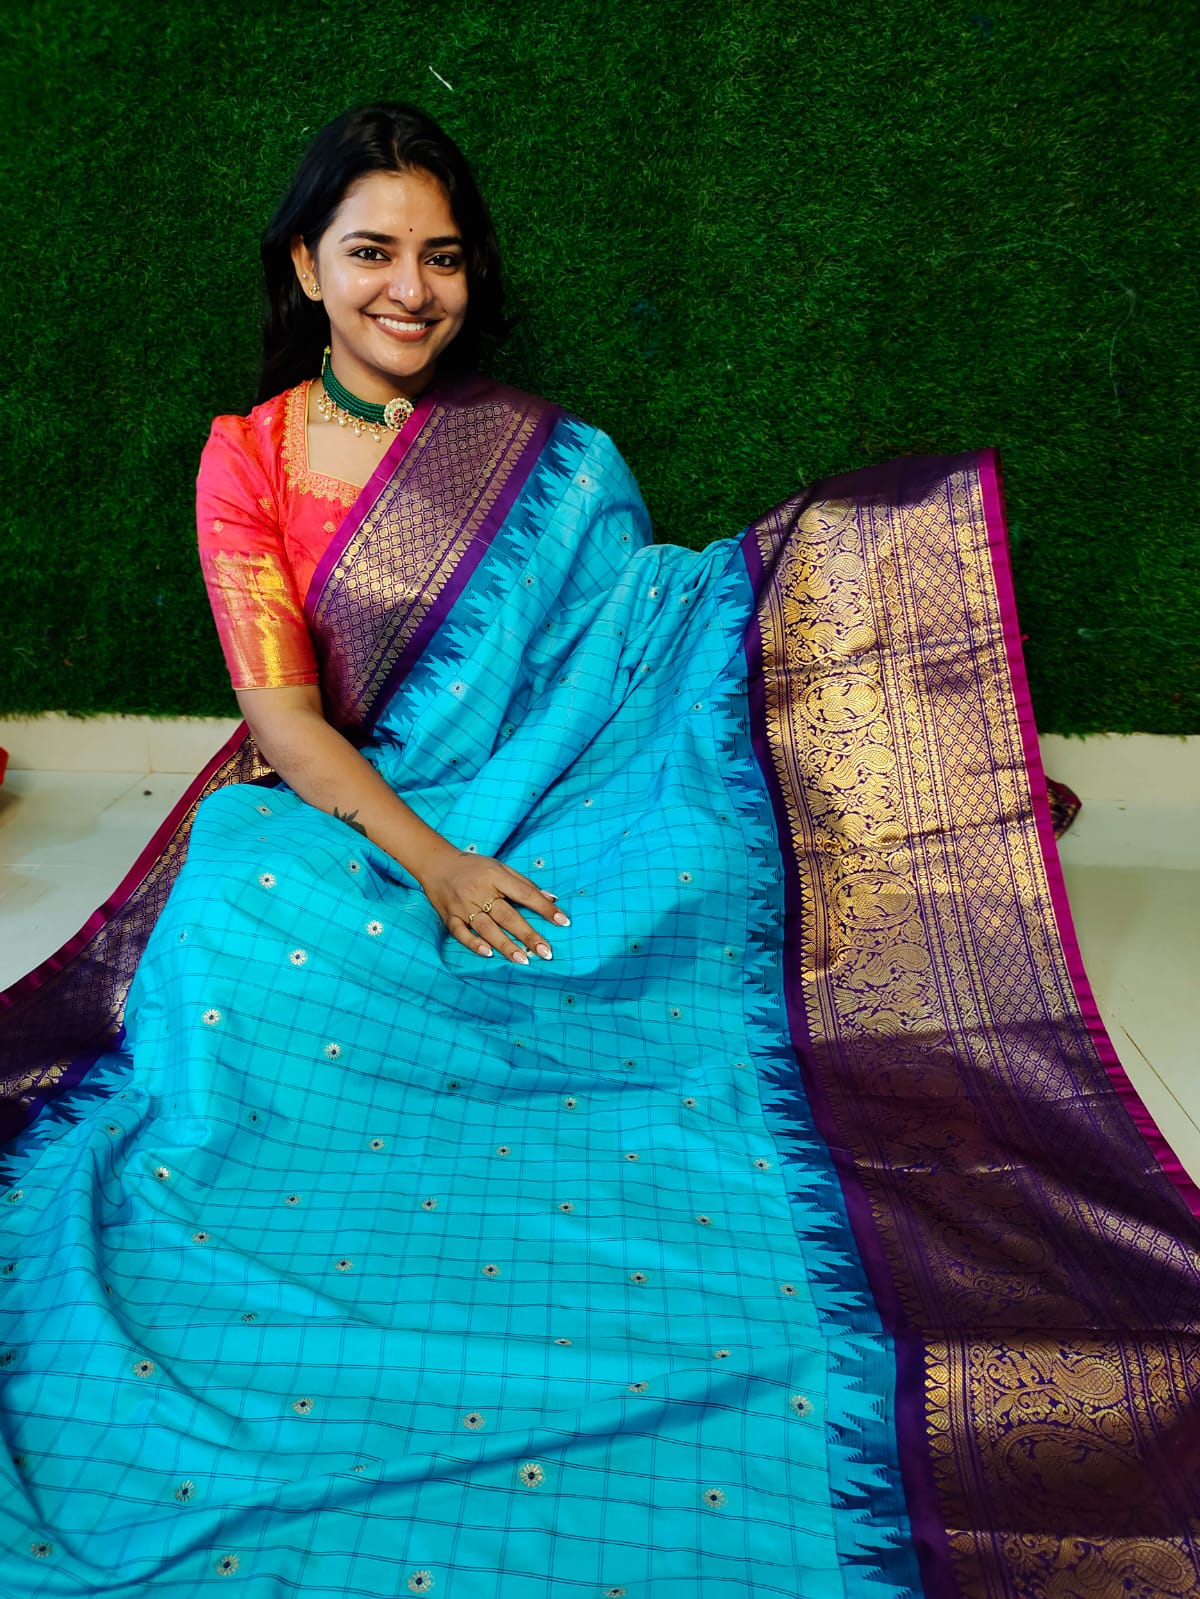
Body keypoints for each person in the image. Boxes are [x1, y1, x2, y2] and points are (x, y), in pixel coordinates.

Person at [0, 103, 1196, 1598]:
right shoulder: (246, 459)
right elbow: (284, 720)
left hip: (555, 786)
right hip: (364, 802)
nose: (411, 290)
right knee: (236, 889)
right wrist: (437, 862)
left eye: (442, 257)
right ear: (306, 267)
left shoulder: (549, 460)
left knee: (691, 863)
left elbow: (635, 633)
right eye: (372, 253)